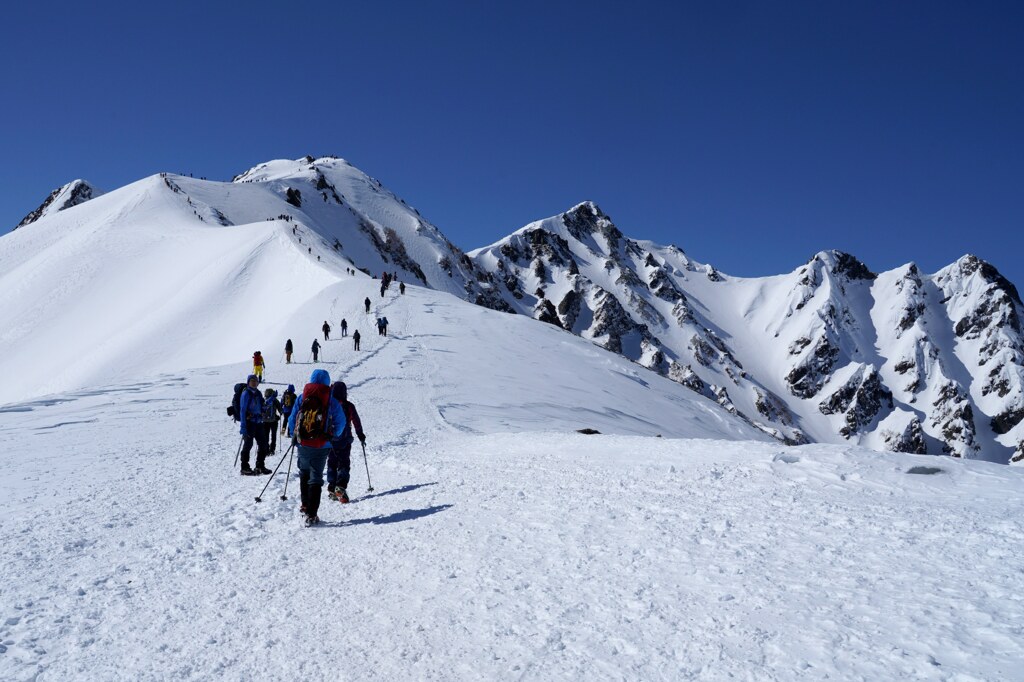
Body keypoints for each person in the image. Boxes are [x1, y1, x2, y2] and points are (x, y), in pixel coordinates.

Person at [287, 369, 346, 525]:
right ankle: (312, 514)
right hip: (322, 444)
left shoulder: (302, 397)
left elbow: (293, 419)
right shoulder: (331, 399)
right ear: (327, 381)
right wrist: (332, 436)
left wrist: (295, 437)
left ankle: (305, 504)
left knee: (304, 472)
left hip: (303, 443)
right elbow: (341, 422)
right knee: (316, 477)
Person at [327, 381, 366, 503]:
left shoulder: (329, 405)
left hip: (331, 439)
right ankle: (341, 486)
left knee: (332, 463)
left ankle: (332, 487)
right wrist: (360, 435)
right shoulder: (349, 406)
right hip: (345, 440)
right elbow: (356, 422)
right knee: (344, 463)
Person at [239, 374, 271, 475]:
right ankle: (244, 467)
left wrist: (268, 403)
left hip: (258, 422)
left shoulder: (258, 393)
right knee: (248, 445)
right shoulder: (246, 394)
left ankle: (260, 465)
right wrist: (243, 426)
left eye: (255, 381)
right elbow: (242, 410)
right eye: (252, 381)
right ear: (248, 382)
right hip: (249, 423)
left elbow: (262, 407)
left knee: (263, 444)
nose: (254, 382)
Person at [263, 388, 282, 453]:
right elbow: (280, 409)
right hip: (273, 421)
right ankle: (272, 449)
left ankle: (266, 449)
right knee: (273, 436)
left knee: (266, 436)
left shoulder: (264, 400)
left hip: (265, 421)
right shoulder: (274, 400)